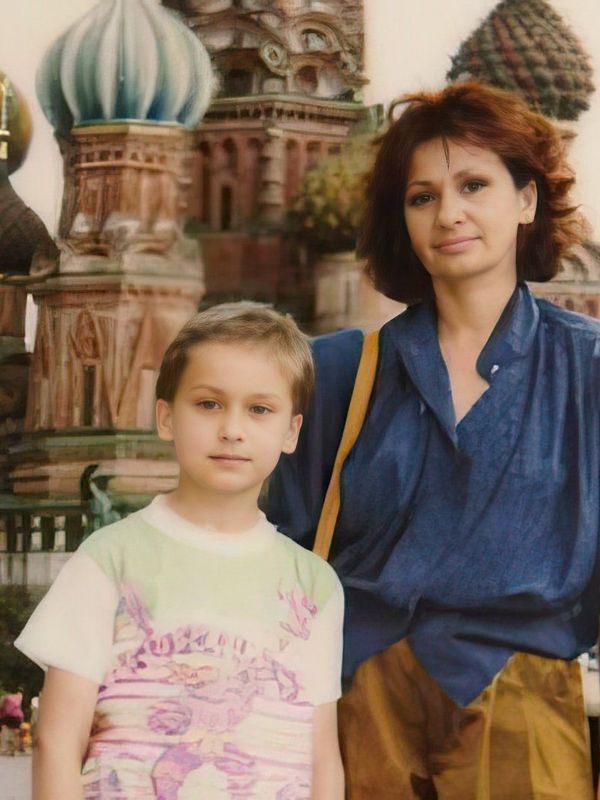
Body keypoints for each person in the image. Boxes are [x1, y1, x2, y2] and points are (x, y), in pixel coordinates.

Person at [268, 81, 600, 799]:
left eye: (473, 185)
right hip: (361, 697)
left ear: (527, 200)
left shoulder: (587, 368)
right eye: (422, 197)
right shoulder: (340, 371)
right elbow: (278, 552)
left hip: (521, 696)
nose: (448, 213)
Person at [15, 303, 345, 800]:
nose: (232, 428)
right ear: (166, 417)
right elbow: (58, 740)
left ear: (291, 431)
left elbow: (322, 755)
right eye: (209, 404)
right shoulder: (109, 559)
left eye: (259, 409)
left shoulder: (315, 585)